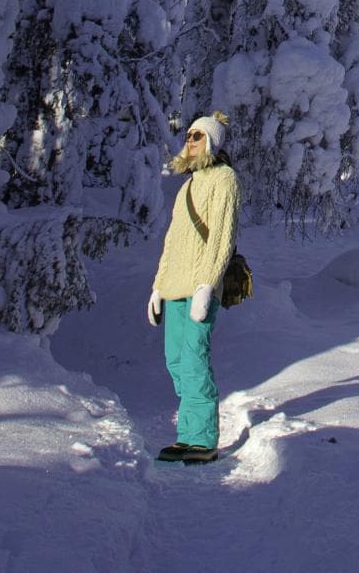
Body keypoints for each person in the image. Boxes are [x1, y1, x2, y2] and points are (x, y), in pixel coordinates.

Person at [147, 113, 239, 464]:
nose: (189, 141)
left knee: (194, 359)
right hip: (174, 287)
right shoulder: (188, 186)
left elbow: (221, 237)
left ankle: (202, 439)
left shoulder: (224, 180)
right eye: (188, 135)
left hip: (201, 286)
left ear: (212, 143)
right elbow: (172, 242)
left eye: (197, 136)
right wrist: (158, 287)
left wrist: (207, 285)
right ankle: (187, 436)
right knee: (176, 361)